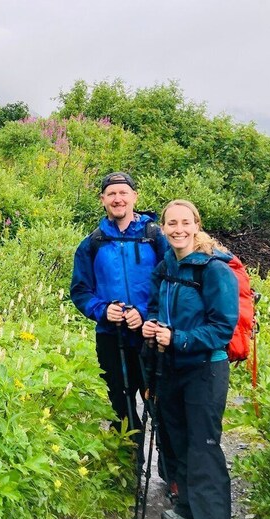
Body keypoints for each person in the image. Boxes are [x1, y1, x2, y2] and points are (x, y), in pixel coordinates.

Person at [142, 199, 239, 519]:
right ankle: (185, 506)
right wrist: (153, 327)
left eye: (185, 222)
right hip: (172, 368)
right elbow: (155, 306)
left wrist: (178, 338)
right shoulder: (167, 264)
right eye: (171, 223)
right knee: (177, 440)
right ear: (163, 228)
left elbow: (222, 328)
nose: (178, 229)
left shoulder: (215, 270)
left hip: (204, 370)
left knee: (204, 453)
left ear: (196, 225)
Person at [70, 171, 175, 488]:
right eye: (111, 193)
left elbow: (172, 284)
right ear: (103, 200)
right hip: (111, 337)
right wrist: (104, 310)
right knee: (122, 403)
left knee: (162, 403)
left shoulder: (156, 237)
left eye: (123, 192)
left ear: (134, 197)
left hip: (152, 336)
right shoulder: (92, 244)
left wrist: (144, 315)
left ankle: (173, 478)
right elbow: (81, 291)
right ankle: (129, 470)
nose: (118, 198)